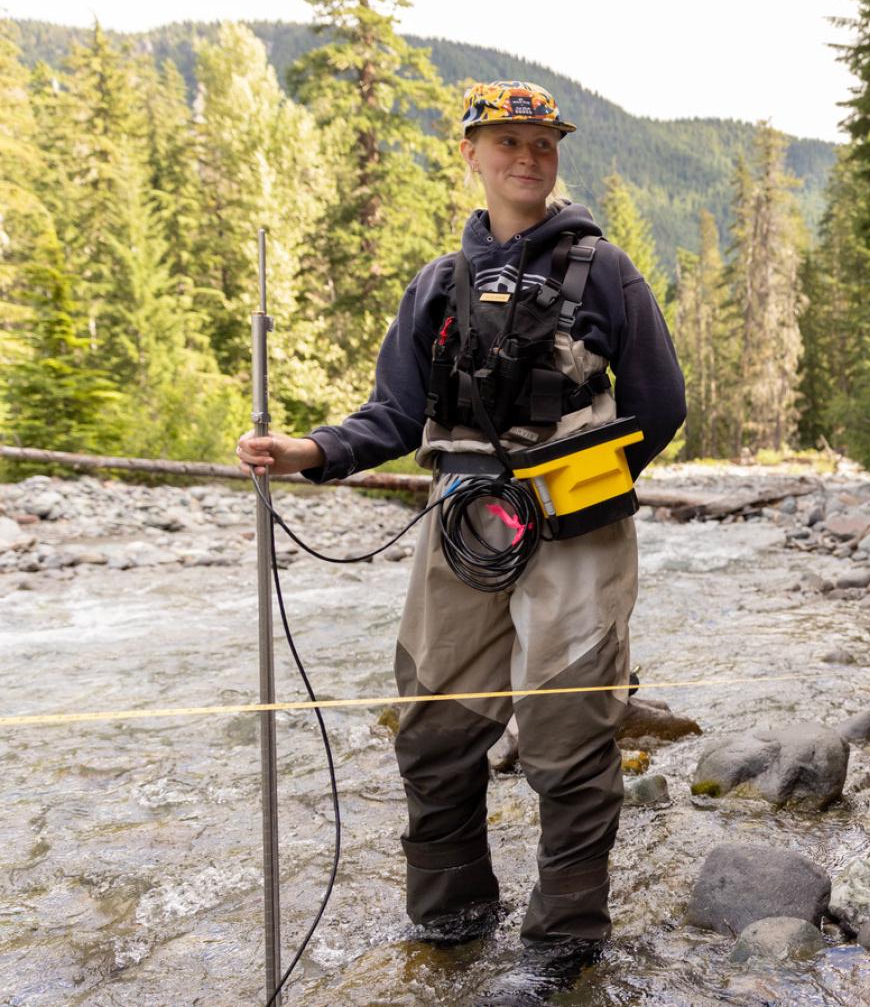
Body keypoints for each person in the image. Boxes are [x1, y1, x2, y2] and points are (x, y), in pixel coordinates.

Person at [237, 80, 686, 1002]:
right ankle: (448, 920)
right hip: (459, 523)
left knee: (566, 740)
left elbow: (662, 406)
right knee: (436, 729)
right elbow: (396, 413)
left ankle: (562, 942)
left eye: (542, 142)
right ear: (473, 154)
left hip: (576, 530)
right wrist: (309, 450)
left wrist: (577, 494)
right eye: (507, 141)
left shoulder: (606, 271)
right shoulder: (436, 283)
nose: (527, 156)